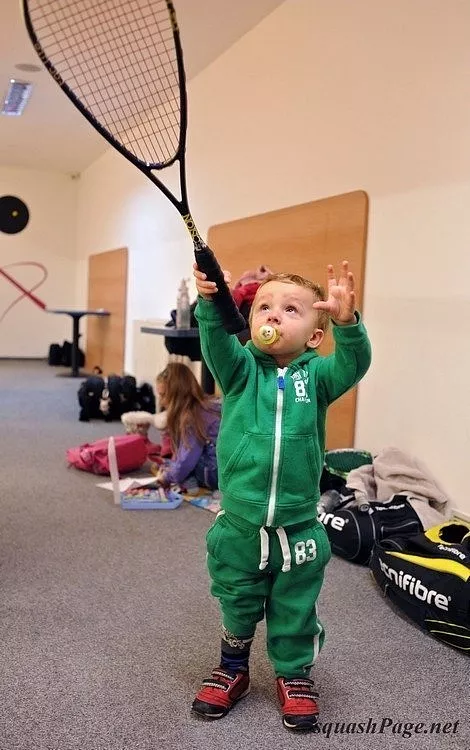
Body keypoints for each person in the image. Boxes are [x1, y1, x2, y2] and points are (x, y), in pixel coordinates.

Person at [191, 261, 371, 731]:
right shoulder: (240, 370)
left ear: (314, 335)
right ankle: (233, 667)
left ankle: (294, 674)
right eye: (263, 307)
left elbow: (355, 363)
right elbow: (215, 343)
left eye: (290, 310)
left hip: (298, 525)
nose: (272, 316)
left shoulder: (318, 378)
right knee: (237, 597)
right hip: (239, 522)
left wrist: (348, 325)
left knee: (295, 606)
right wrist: (211, 303)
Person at [153, 362, 220, 491]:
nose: (161, 401)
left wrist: (167, 477)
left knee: (179, 466)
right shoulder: (207, 405)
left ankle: (188, 481)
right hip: (233, 470)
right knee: (174, 462)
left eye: (163, 395)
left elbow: (186, 460)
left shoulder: (191, 417)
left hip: (217, 474)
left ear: (176, 395)